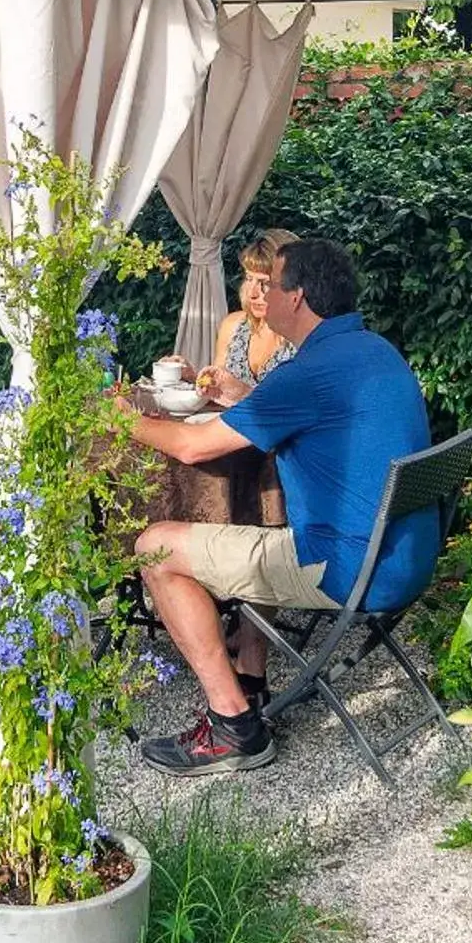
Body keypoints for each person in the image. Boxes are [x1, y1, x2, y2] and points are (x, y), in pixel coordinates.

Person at [122, 238, 432, 776]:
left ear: (299, 297)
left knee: (155, 546)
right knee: (264, 522)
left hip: (351, 568)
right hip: (409, 555)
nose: (262, 293)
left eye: (273, 284)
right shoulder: (374, 350)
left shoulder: (308, 371)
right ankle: (251, 676)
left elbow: (192, 447)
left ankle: (233, 725)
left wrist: (119, 417)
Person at [197, 227, 300, 407]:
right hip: (226, 432)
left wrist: (245, 394)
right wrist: (192, 378)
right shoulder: (233, 326)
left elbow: (304, 414)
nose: (252, 293)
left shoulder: (307, 339)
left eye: (263, 283)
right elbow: (218, 396)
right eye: (249, 278)